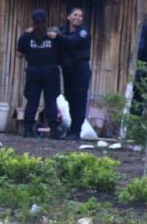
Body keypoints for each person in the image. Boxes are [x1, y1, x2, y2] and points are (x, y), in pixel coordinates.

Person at [16, 9, 62, 138]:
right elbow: (62, 50)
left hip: (33, 72)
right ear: (46, 21)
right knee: (51, 101)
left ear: (33, 21)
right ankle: (54, 130)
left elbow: (19, 54)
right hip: (51, 72)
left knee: (32, 101)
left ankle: (28, 130)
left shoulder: (26, 36)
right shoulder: (53, 36)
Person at [57, 7, 92, 140]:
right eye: (75, 15)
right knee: (70, 99)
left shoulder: (83, 32)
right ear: (69, 17)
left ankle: (76, 130)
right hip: (68, 71)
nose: (78, 18)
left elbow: (73, 41)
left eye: (80, 16)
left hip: (81, 70)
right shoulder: (63, 31)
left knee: (79, 101)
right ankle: (72, 129)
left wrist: (58, 36)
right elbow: (48, 32)